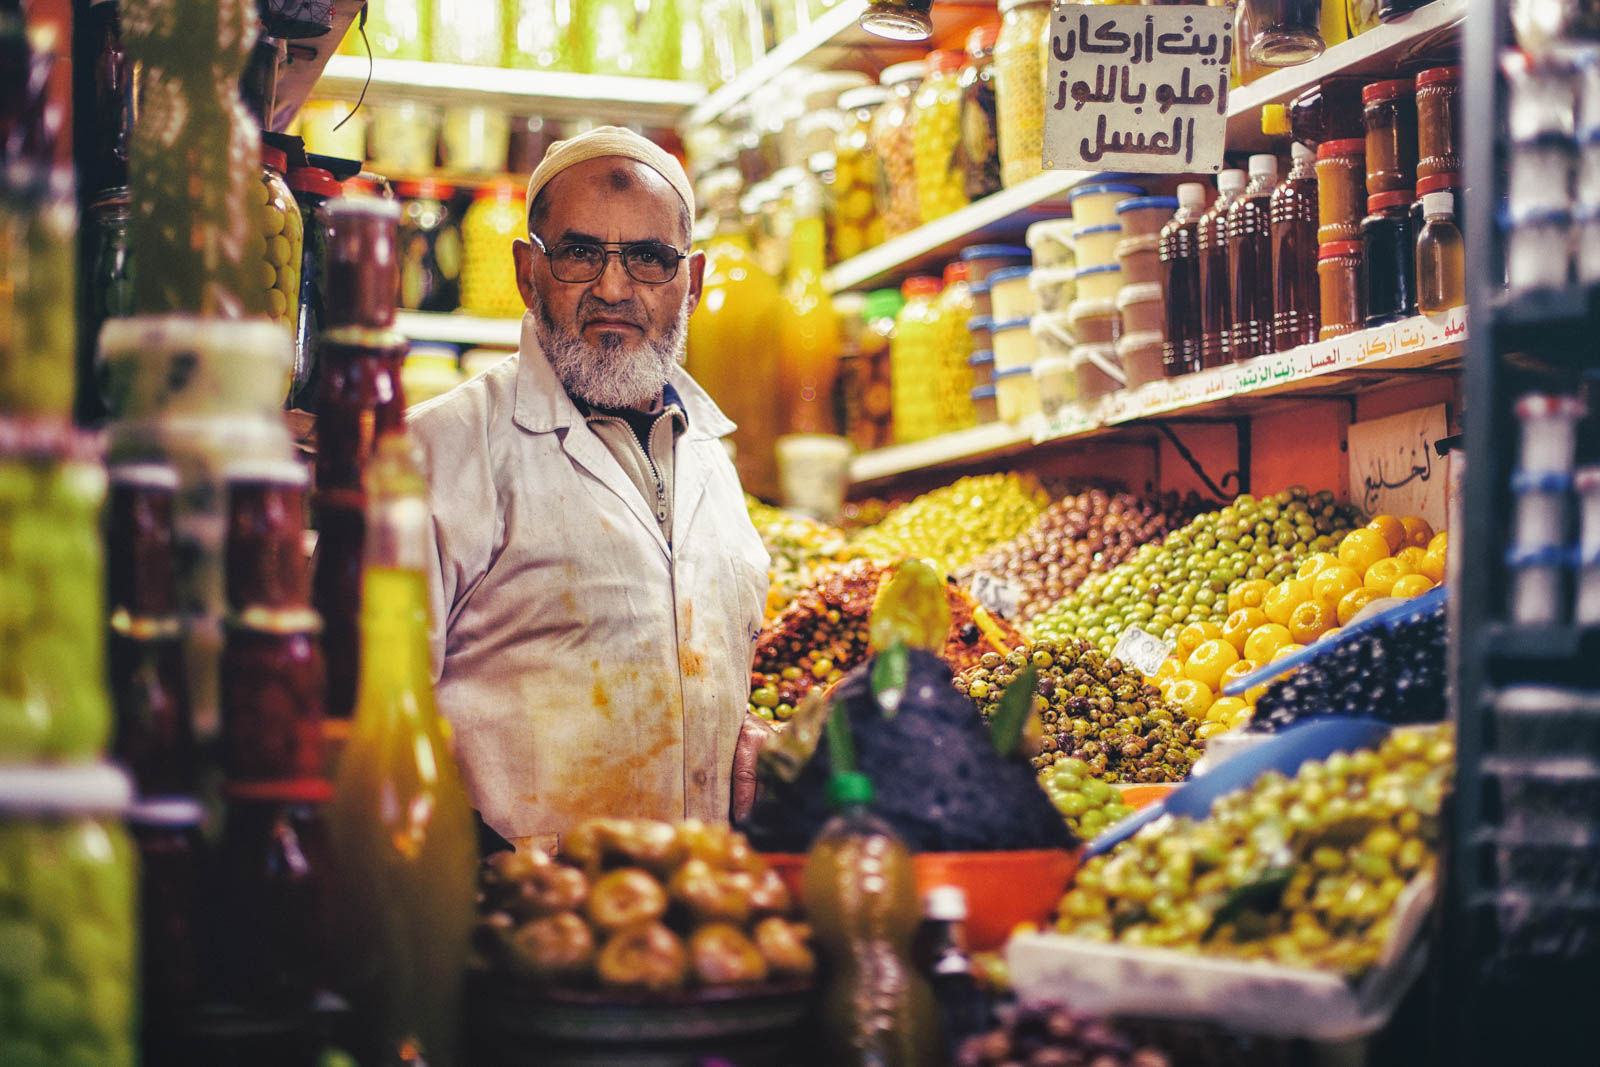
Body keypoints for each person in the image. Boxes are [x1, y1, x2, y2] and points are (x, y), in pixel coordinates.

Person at [409, 127, 773, 853]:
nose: (614, 288)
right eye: (579, 253)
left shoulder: (712, 463)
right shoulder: (436, 451)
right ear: (526, 271)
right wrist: (490, 879)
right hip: (511, 931)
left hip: (702, 926)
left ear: (691, 282)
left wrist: (748, 737)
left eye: (648, 258)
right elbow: (362, 720)